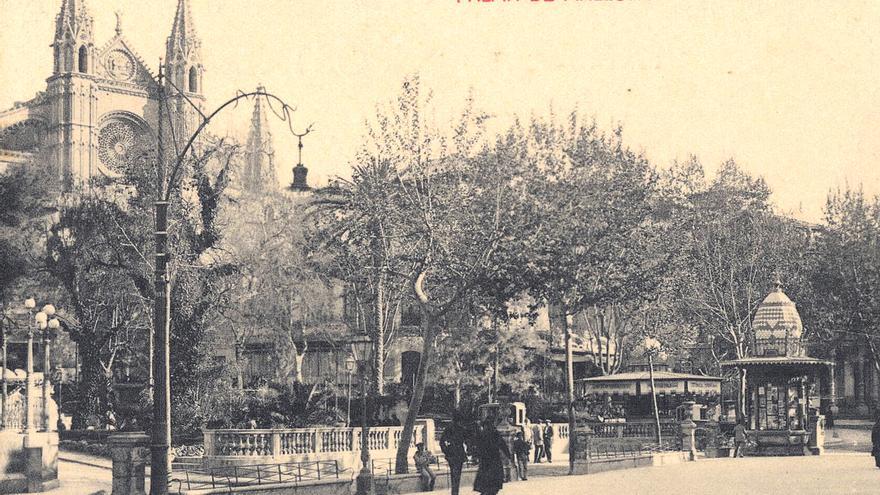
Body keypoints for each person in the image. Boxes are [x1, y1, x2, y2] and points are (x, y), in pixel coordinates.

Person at [473, 419, 511, 495]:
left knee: (485, 481)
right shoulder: (495, 433)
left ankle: (486, 491)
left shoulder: (483, 434)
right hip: (494, 459)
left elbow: (477, 446)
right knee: (494, 482)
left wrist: (476, 456)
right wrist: (508, 455)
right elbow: (503, 445)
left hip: (485, 460)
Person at [440, 412, 469, 495]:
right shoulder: (461, 429)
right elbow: (467, 441)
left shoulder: (449, 428)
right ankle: (455, 492)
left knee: (454, 474)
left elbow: (442, 441)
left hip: (452, 454)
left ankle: (455, 492)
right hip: (458, 454)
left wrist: (446, 451)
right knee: (457, 474)